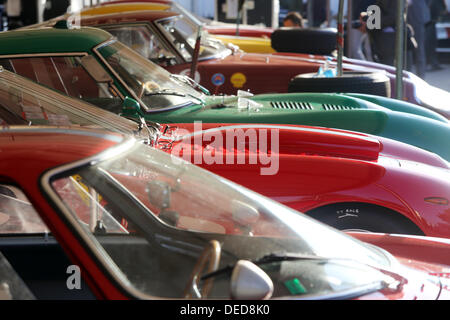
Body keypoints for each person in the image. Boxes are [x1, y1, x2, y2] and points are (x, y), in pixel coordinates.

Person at [407, 0, 431, 79]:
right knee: (407, 50)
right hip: (406, 18)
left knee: (419, 48)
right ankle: (407, 76)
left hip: (417, 17)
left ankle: (421, 77)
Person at [426, 0, 447, 70]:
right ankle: (430, 63)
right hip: (429, 22)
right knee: (429, 43)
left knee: (433, 43)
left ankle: (433, 63)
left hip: (433, 22)